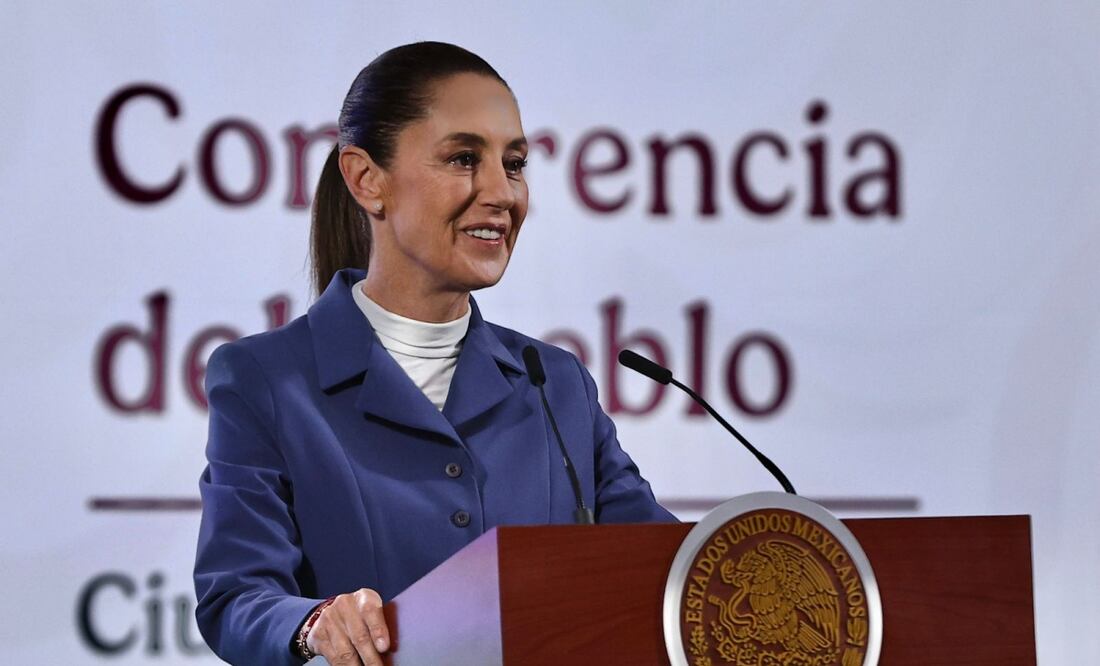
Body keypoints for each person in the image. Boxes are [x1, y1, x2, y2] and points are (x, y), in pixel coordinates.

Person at [193, 42, 675, 666]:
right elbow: (236, 597)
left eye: (516, 162)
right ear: (368, 180)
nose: (503, 193)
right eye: (464, 158)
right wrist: (314, 622)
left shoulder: (555, 385)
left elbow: (664, 573)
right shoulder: (265, 380)